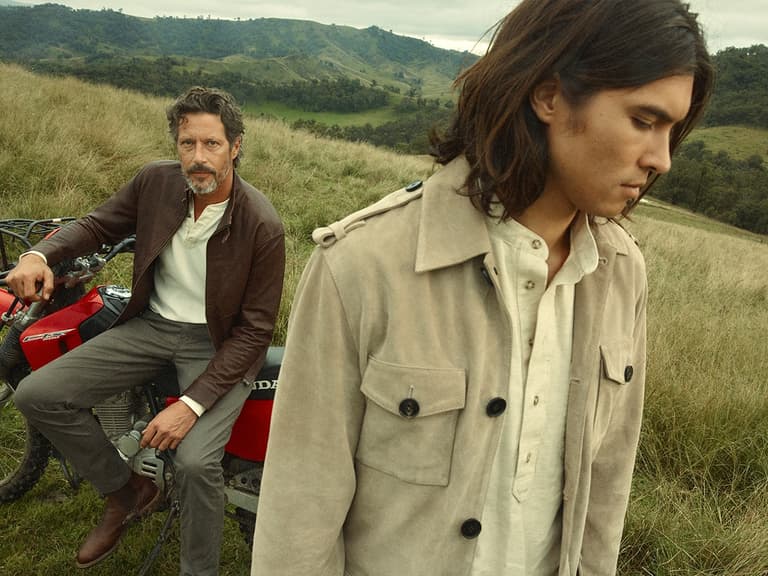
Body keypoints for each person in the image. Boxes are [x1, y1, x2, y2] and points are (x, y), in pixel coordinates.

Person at [250, 1, 714, 575]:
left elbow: (606, 489)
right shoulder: (363, 264)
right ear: (549, 97)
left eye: (672, 130)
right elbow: (299, 517)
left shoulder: (621, 271)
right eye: (643, 121)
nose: (661, 160)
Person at [9, 86, 285, 575]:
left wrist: (190, 406)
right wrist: (38, 254)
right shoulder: (155, 181)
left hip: (216, 345)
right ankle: (127, 492)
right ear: (176, 144)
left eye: (212, 144)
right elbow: (97, 226)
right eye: (187, 143)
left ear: (235, 146)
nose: (198, 157)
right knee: (37, 394)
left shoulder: (261, 223)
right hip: (151, 326)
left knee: (196, 463)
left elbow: (255, 330)